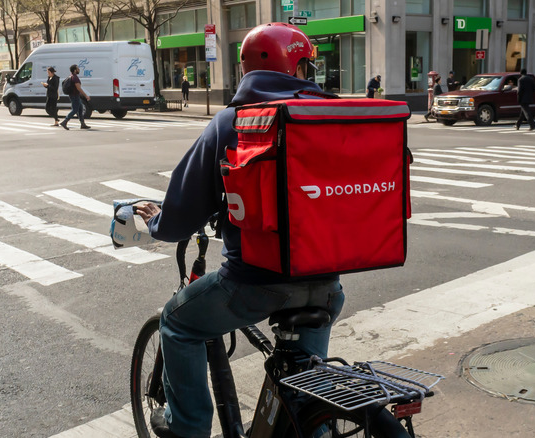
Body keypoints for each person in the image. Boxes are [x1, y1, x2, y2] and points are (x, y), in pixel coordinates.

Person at [133, 23, 345, 438]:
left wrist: (156, 220)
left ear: (248, 67)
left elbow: (180, 216)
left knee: (177, 324)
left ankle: (189, 427)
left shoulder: (233, 121)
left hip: (254, 284)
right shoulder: (329, 116)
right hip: (327, 284)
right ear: (297, 67)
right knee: (305, 399)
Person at [60, 64, 91, 130]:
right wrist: (86, 96)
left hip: (75, 95)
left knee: (80, 109)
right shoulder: (75, 78)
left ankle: (83, 124)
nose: (79, 69)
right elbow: (79, 88)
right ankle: (64, 122)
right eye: (77, 69)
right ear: (74, 70)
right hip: (74, 96)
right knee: (75, 110)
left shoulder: (71, 76)